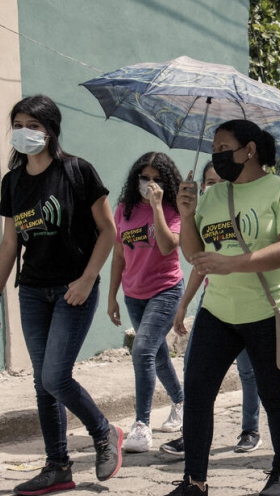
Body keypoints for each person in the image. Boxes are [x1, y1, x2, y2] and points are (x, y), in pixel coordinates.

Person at [151, 119, 280, 496]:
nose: (217, 153)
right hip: (218, 311)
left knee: (273, 395)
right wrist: (186, 214)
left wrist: (232, 262)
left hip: (269, 311)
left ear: (249, 149)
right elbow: (194, 255)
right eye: (214, 147)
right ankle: (194, 485)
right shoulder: (213, 195)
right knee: (198, 393)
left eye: (224, 146)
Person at [0, 94, 122, 496]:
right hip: (33, 292)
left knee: (55, 376)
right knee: (43, 385)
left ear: (51, 130)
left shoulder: (77, 171)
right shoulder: (13, 182)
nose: (25, 132)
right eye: (19, 124)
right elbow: (10, 244)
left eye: (34, 126)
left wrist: (88, 279)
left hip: (73, 290)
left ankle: (104, 432)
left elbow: (108, 230)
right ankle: (58, 466)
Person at [160, 162, 263, 457]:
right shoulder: (202, 215)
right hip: (212, 302)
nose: (212, 186)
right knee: (195, 370)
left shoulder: (243, 209)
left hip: (246, 300)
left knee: (247, 371)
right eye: (208, 181)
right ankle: (191, 434)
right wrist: (184, 304)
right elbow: (198, 264)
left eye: (219, 181)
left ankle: (250, 429)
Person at [107, 152, 185, 453]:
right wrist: (113, 295)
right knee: (158, 353)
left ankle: (141, 424)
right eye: (144, 178)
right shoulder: (124, 209)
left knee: (142, 350)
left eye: (156, 178)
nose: (150, 183)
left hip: (165, 290)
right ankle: (180, 400)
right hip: (133, 294)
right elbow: (118, 255)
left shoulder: (172, 208)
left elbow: (167, 245)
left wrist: (156, 208)